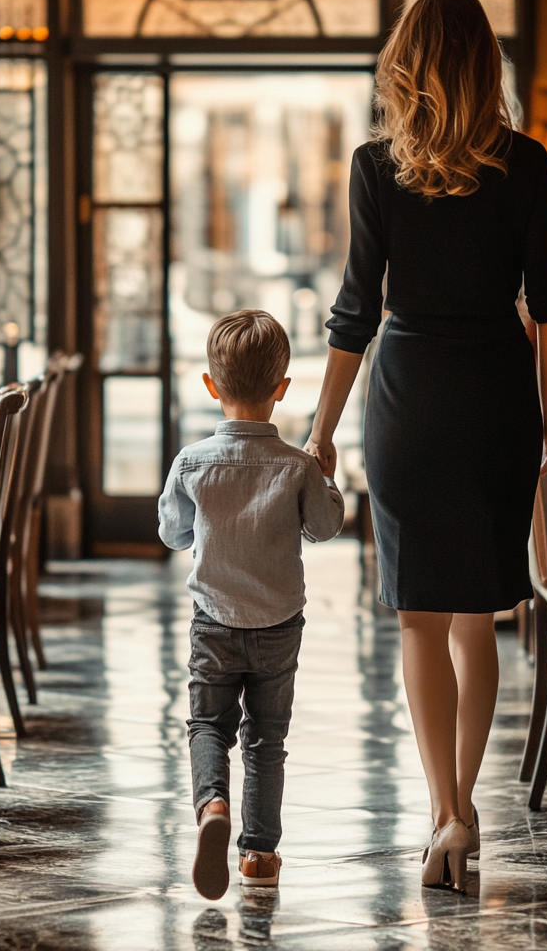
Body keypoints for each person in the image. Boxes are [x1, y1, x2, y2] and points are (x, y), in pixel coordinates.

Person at [304, 0, 547, 894]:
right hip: (498, 396)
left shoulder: (376, 166)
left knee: (418, 613)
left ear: (407, 62)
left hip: (409, 402)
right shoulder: (527, 163)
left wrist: (321, 431)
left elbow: (355, 312)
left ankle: (444, 809)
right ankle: (463, 812)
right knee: (476, 617)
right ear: (486, 62)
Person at [159, 309, 345, 901]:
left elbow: (172, 534)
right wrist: (327, 476)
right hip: (278, 626)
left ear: (211, 387)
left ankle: (212, 804)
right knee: (267, 736)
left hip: (213, 621)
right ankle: (260, 855)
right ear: (282, 389)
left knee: (207, 723)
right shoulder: (294, 465)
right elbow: (326, 526)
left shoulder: (191, 462)